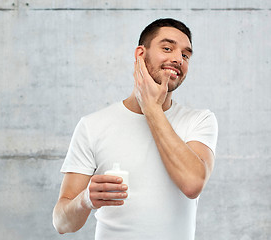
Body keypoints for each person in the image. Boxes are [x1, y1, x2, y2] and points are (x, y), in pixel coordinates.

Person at [52, 18, 218, 240]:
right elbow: (61, 223)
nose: (178, 58)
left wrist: (151, 107)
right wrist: (85, 199)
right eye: (167, 48)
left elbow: (192, 184)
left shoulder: (199, 121)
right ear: (140, 54)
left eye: (185, 55)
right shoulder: (92, 126)